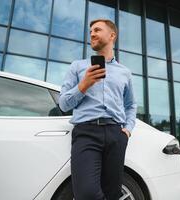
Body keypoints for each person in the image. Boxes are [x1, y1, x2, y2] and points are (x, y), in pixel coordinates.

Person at [59, 19, 137, 200]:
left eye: (97, 30)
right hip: (86, 133)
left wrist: (127, 130)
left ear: (112, 35)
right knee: (86, 194)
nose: (92, 34)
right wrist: (84, 84)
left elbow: (131, 105)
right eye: (91, 31)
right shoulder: (77, 67)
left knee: (113, 194)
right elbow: (63, 104)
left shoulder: (124, 72)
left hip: (116, 134)